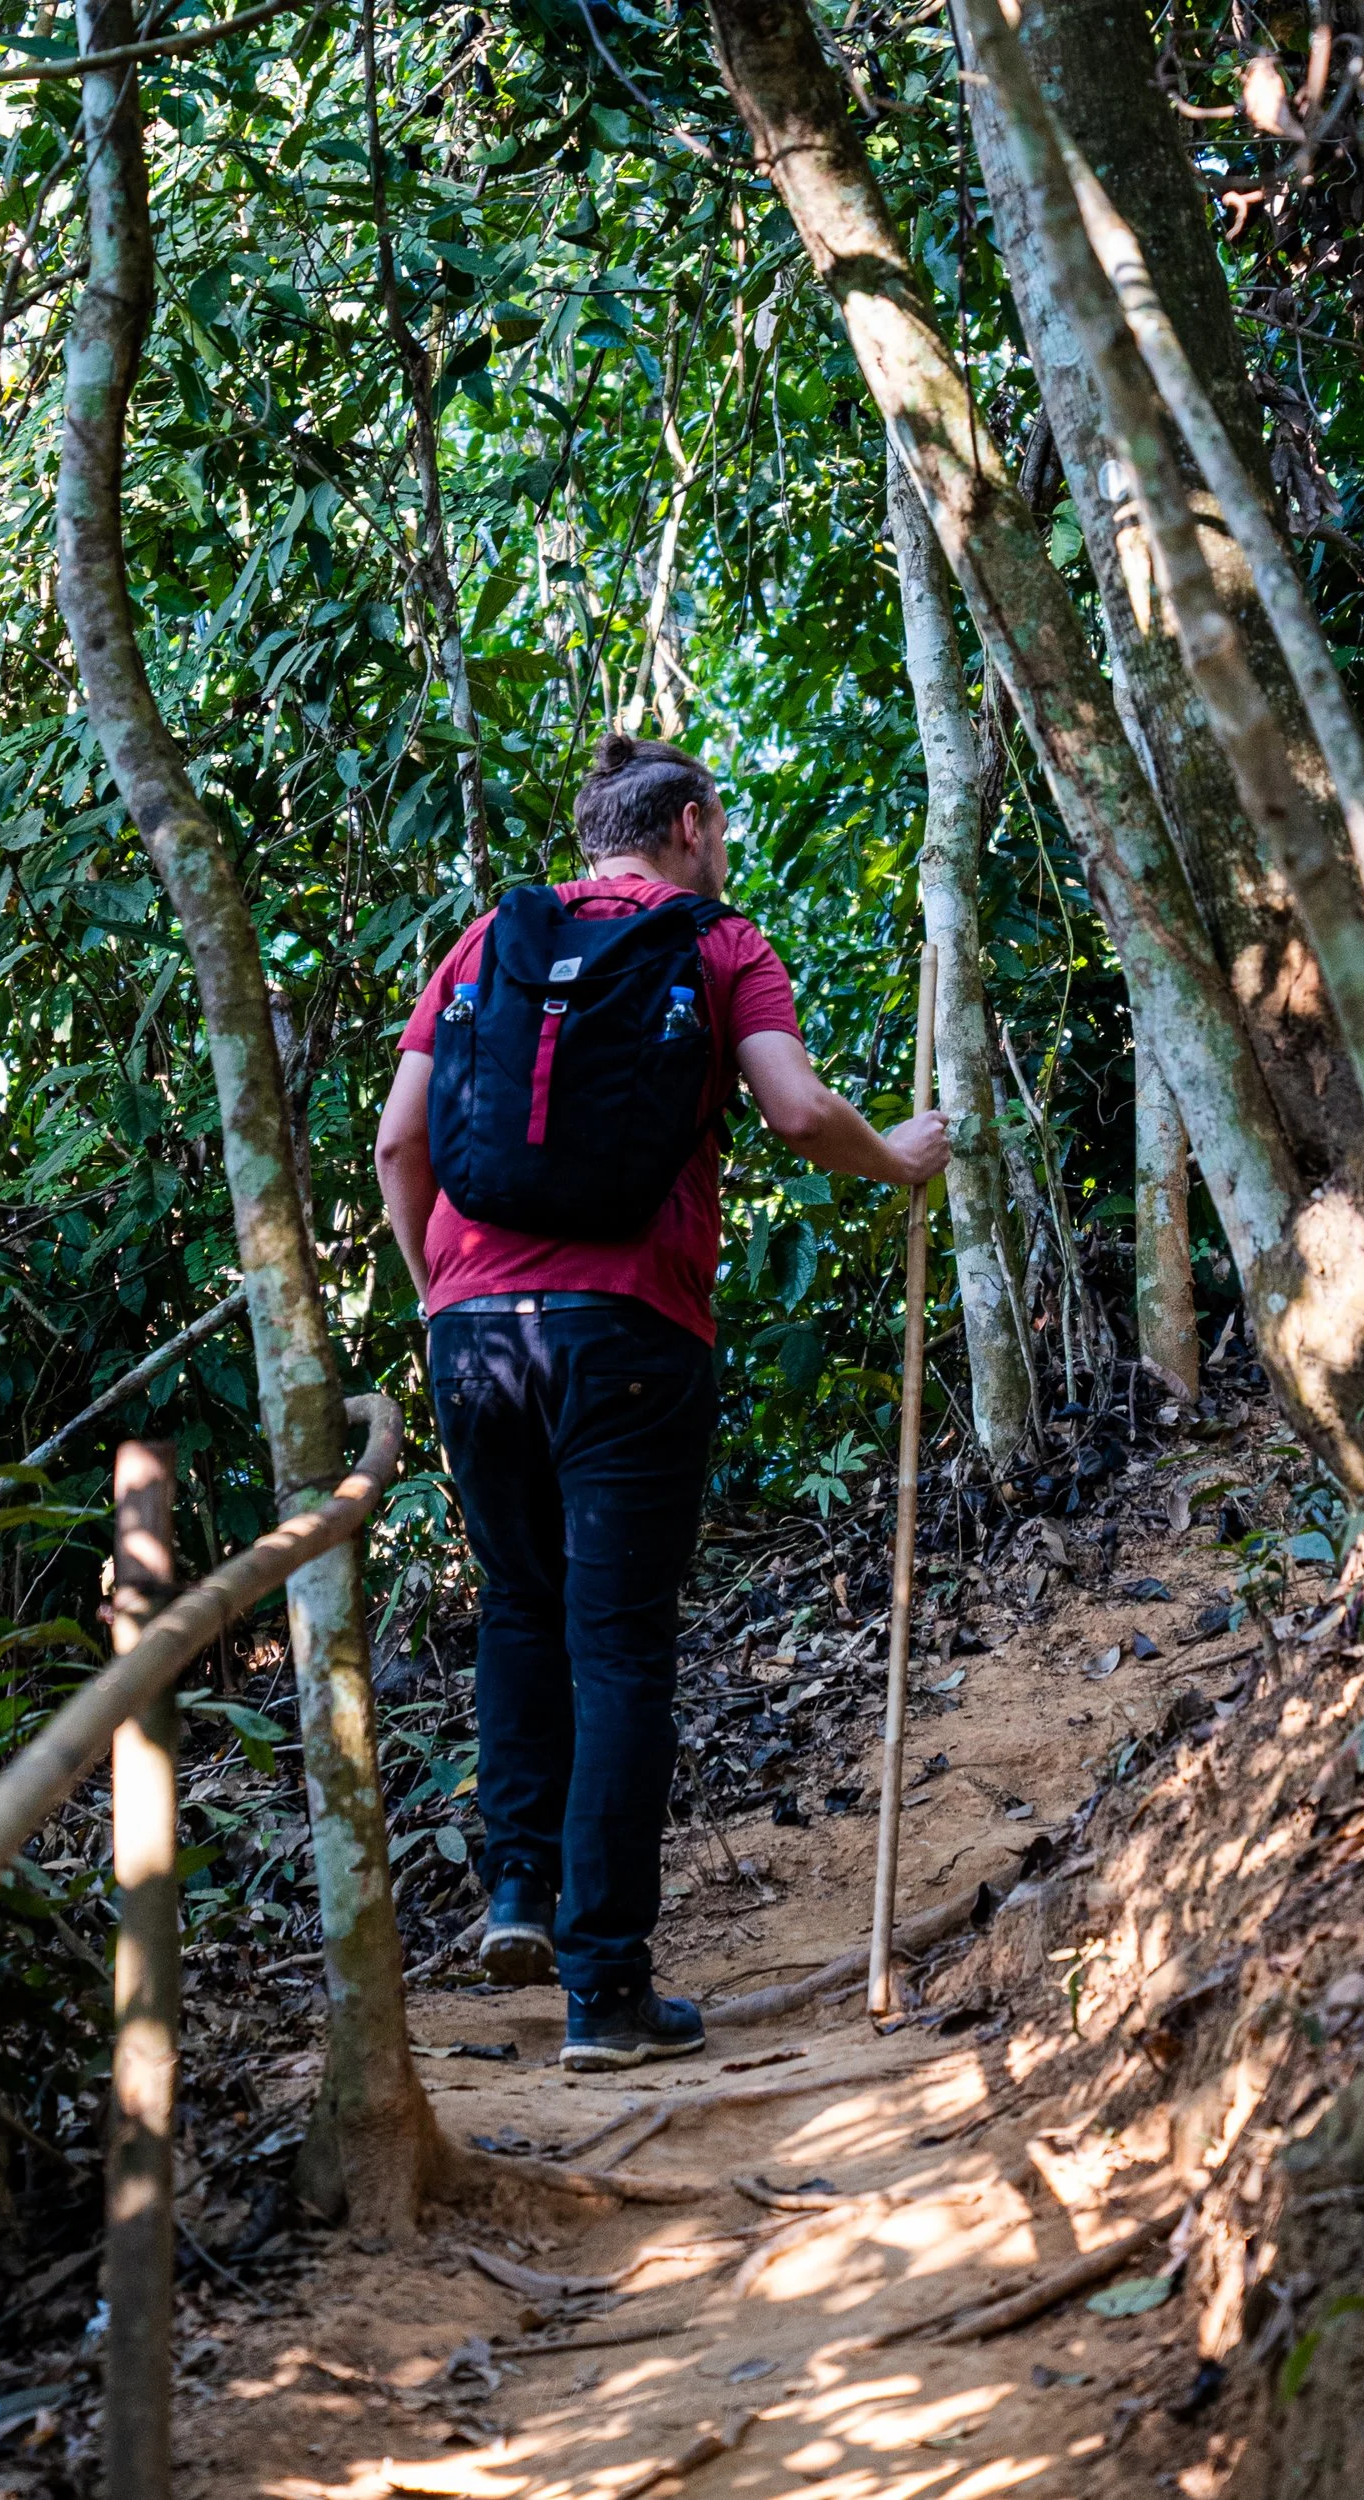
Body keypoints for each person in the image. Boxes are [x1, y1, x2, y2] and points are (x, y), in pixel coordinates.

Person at [375, 732, 950, 2071]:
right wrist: (901, 1157)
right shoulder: (718, 940)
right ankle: (606, 1995)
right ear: (689, 823)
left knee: (518, 1608)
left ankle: (517, 1890)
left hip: (475, 1334)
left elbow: (402, 1142)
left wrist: (437, 1295)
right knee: (621, 1645)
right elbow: (799, 1115)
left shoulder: (484, 944)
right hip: (630, 1329)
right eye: (722, 823)